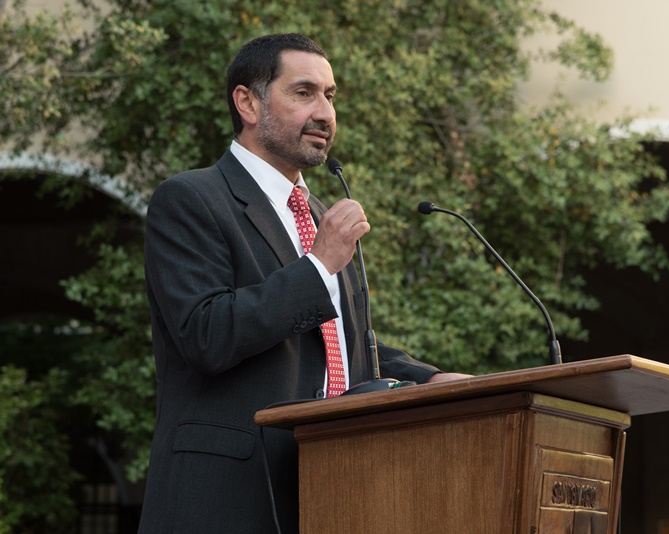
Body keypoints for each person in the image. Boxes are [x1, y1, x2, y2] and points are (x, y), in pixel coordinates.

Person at [138, 33, 468, 534]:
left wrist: (428, 380)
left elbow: (339, 345)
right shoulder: (191, 198)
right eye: (304, 93)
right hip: (226, 497)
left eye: (330, 96)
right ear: (248, 103)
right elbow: (206, 334)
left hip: (327, 488)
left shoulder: (319, 217)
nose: (325, 113)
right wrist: (318, 265)